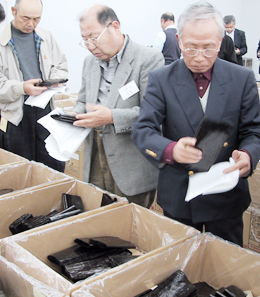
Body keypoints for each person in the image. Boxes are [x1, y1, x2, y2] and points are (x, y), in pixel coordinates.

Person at [132, 1, 260, 246]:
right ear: (179, 40)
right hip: (180, 194)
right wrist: (170, 150)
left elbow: (254, 131)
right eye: (190, 48)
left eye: (208, 48)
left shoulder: (241, 79)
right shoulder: (162, 79)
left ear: (221, 42)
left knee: (225, 271)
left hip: (225, 194)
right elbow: (143, 130)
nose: (199, 58)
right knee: (179, 267)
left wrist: (248, 155)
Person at [71, 5, 164, 208]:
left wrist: (111, 116)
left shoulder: (148, 59)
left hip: (131, 162)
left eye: (94, 37)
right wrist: (72, 114)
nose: (89, 45)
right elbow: (82, 100)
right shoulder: (89, 63)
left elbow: (153, 113)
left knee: (130, 227)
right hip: (95, 155)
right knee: (96, 217)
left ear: (115, 26)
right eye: (84, 39)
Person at [0, 0, 68, 172]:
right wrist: (22, 88)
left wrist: (53, 81)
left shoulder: (46, 36)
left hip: (45, 108)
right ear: (14, 11)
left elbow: (61, 66)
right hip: (15, 114)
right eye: (26, 18)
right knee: (20, 170)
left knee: (52, 164)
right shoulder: (2, 40)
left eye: (37, 19)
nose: (31, 24)